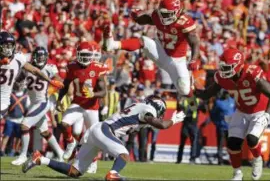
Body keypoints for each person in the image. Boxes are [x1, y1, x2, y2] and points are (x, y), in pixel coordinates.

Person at [22, 95, 186, 180]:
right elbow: (162, 125)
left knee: (75, 171)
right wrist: (174, 120)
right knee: (123, 154)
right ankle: (113, 174)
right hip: (104, 130)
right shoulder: (146, 109)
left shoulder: (141, 107)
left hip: (98, 131)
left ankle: (39, 159)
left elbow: (150, 122)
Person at [195, 48, 270, 180]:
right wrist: (191, 91)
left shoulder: (251, 73)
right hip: (241, 111)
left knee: (252, 140)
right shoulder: (223, 78)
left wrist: (266, 115)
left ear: (238, 65)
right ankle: (237, 174)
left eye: (228, 67)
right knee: (233, 143)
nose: (224, 71)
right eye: (223, 67)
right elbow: (207, 94)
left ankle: (257, 159)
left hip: (259, 111)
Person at [103, 0, 200, 96]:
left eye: (168, 14)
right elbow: (147, 20)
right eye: (162, 13)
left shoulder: (185, 22)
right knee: (143, 41)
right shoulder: (158, 16)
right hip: (160, 52)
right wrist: (137, 16)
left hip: (177, 61)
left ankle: (191, 96)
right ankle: (113, 44)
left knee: (185, 90)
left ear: (177, 12)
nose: (164, 17)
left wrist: (194, 59)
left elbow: (194, 42)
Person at [56, 41, 108, 173]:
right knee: (63, 123)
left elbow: (104, 92)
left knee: (93, 137)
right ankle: (70, 142)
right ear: (77, 54)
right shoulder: (72, 66)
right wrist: (59, 100)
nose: (84, 58)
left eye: (87, 55)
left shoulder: (98, 67)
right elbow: (66, 84)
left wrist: (93, 93)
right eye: (82, 55)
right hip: (78, 104)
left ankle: (94, 162)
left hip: (92, 107)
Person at [11, 47, 64, 166]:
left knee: (24, 125)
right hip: (34, 102)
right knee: (45, 132)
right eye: (38, 56)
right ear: (34, 57)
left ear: (46, 57)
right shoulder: (27, 67)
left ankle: (23, 155)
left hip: (42, 102)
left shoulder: (50, 68)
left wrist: (57, 87)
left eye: (42, 56)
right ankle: (60, 153)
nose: (40, 59)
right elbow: (17, 82)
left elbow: (59, 81)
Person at [0, 31, 63, 119]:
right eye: (6, 45)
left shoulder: (18, 58)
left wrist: (50, 80)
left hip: (2, 102)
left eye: (10, 45)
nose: (8, 48)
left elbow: (35, 71)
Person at [0, 80, 29, 156]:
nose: (19, 86)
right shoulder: (10, 95)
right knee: (6, 135)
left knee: (18, 137)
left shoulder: (26, 97)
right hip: (10, 118)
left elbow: (27, 107)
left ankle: (15, 150)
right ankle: (2, 150)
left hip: (20, 120)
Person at [210, 89, 235, 165]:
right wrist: (216, 123)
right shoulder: (218, 103)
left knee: (231, 145)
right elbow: (213, 114)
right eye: (225, 93)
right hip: (221, 127)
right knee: (220, 145)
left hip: (230, 127)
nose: (226, 94)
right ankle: (220, 161)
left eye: (227, 93)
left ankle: (232, 160)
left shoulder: (233, 101)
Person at [176, 95, 202, 164]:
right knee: (182, 142)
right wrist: (178, 103)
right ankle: (179, 159)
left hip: (193, 123)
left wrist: (181, 105)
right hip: (186, 123)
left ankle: (192, 159)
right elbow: (178, 109)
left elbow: (191, 110)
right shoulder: (184, 99)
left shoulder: (193, 100)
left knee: (193, 142)